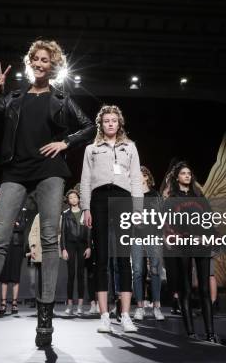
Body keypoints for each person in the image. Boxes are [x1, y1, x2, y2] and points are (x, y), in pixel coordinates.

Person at [0, 39, 95, 347]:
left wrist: (66, 143)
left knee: (49, 241)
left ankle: (45, 320)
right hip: (16, 171)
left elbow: (89, 126)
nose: (39, 63)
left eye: (45, 60)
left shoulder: (61, 96)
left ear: (53, 66)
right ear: (29, 62)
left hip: (49, 171)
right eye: (35, 58)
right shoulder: (15, 96)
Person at [80, 105, 142, 333]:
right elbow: (85, 180)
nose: (110, 124)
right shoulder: (91, 149)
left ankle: (125, 315)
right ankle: (104, 315)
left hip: (123, 198)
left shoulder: (130, 148)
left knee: (123, 259)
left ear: (119, 123)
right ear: (101, 124)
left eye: (114, 120)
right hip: (98, 200)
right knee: (101, 258)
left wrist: (138, 209)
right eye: (106, 121)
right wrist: (86, 208)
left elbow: (136, 179)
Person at [163, 161, 217, 342]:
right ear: (177, 177)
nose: (187, 175)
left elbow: (209, 221)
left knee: (204, 289)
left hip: (202, 244)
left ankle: (210, 334)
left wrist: (213, 238)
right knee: (185, 288)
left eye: (189, 173)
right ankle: (191, 333)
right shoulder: (171, 199)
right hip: (183, 245)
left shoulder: (200, 197)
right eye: (183, 173)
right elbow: (167, 225)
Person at [131, 166, 165, 321]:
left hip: (153, 236)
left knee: (155, 271)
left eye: (138, 174)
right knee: (138, 271)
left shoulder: (155, 195)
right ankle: (140, 307)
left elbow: (162, 217)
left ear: (145, 177)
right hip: (136, 237)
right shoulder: (132, 195)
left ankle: (157, 307)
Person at [60, 189, 91, 316]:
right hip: (70, 245)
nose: (73, 199)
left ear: (79, 199)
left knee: (80, 275)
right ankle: (70, 305)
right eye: (70, 198)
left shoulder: (85, 213)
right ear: (68, 200)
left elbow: (89, 230)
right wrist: (63, 248)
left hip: (83, 245)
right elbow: (62, 233)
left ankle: (79, 305)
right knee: (71, 274)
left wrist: (89, 247)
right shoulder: (65, 213)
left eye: (75, 197)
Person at [0, 207, 28, 315]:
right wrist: (15, 224)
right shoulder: (5, 209)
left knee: (15, 275)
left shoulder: (23, 211)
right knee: (4, 276)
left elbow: (22, 228)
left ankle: (14, 303)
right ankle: (3, 303)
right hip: (5, 245)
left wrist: (12, 225)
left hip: (17, 245)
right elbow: (2, 227)